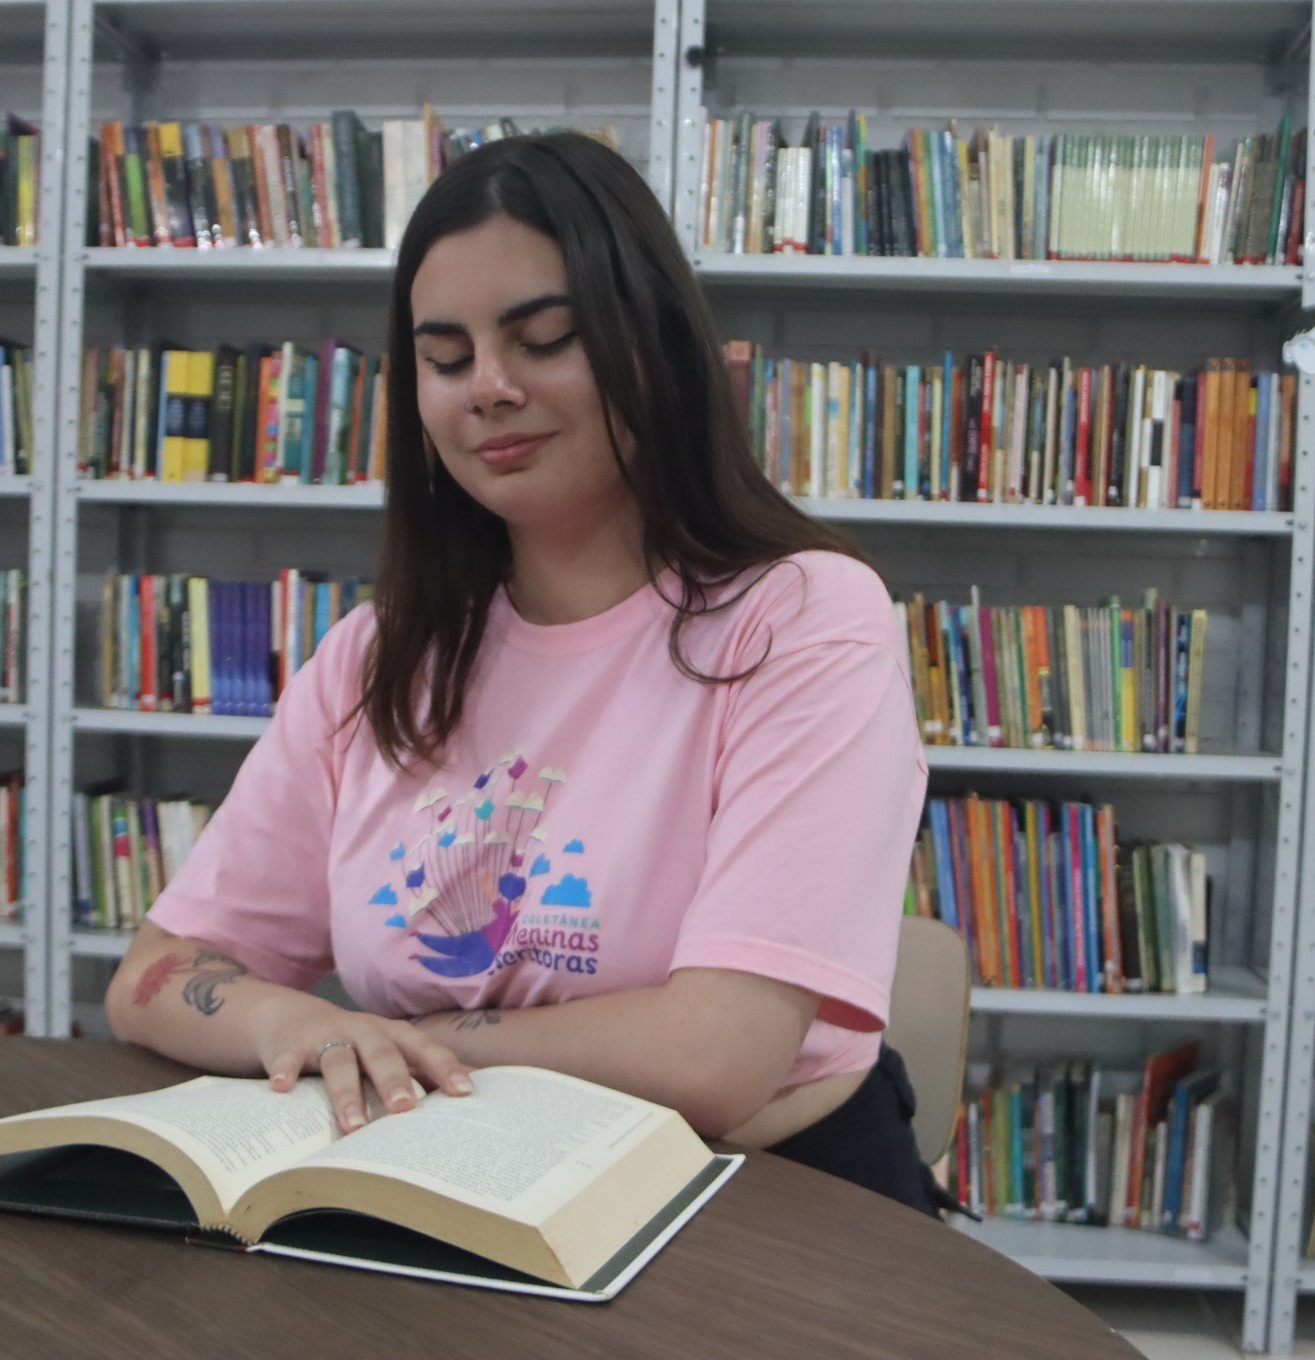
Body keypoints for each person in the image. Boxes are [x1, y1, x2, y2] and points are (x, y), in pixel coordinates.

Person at [106, 131, 942, 1214]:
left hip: (764, 1206)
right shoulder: (377, 655)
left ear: (651, 346)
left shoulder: (800, 618)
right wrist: (293, 1023)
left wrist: (407, 1045)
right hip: (451, 1184)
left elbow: (715, 1064)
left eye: (544, 339)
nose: (488, 390)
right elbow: (152, 978)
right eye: (444, 359)